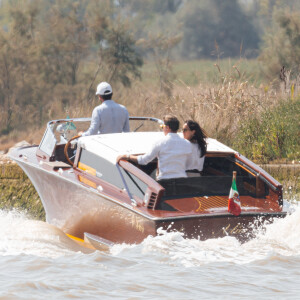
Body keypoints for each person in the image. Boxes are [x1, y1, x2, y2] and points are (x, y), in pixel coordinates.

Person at [117, 115, 192, 180]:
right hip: (182, 181)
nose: (162, 129)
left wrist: (127, 156)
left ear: (167, 127)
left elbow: (144, 160)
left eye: (162, 126)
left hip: (165, 182)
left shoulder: (160, 142)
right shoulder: (187, 144)